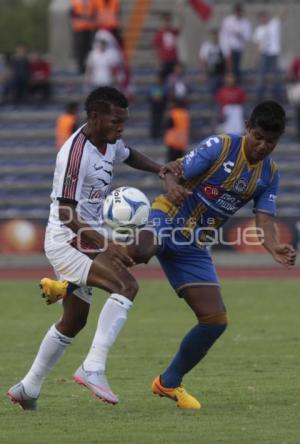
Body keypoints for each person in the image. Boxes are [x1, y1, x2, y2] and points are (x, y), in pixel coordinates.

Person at [36, 101, 296, 411]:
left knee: (215, 320)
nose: (263, 146)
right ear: (248, 129)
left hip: (195, 244)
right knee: (138, 253)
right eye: (258, 137)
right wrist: (172, 186)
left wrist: (274, 246)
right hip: (168, 215)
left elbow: (263, 220)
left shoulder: (269, 174)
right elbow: (174, 170)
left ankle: (169, 382)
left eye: (271, 141)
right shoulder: (221, 146)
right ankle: (67, 285)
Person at [7, 86, 181, 411]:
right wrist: (106, 243)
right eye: (116, 121)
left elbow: (129, 154)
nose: (121, 128)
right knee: (126, 286)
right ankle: (93, 367)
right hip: (66, 238)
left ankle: (28, 388)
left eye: (124, 121)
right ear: (95, 117)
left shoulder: (109, 142)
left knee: (74, 320)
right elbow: (65, 214)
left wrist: (161, 170)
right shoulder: (76, 153)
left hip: (86, 237)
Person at [252, 11, 283, 101]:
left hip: (274, 53)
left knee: (276, 75)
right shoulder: (258, 29)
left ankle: (277, 95)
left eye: (265, 17)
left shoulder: (274, 24)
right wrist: (256, 57)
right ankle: (259, 95)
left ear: (267, 17)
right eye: (261, 17)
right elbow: (258, 45)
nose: (263, 19)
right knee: (261, 75)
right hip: (263, 54)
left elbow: (283, 15)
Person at [219, 3, 252, 81]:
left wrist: (240, 35)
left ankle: (235, 84)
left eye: (240, 11)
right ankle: (226, 85)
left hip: (238, 49)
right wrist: (225, 50)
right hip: (228, 48)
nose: (238, 13)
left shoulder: (246, 23)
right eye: (237, 11)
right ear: (234, 11)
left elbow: (248, 37)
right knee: (226, 69)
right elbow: (223, 35)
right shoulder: (227, 20)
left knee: (235, 69)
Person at [152, 11, 183, 82]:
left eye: (169, 21)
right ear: (162, 22)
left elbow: (180, 26)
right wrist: (157, 61)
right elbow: (156, 48)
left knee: (177, 79)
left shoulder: (172, 31)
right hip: (164, 60)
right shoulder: (159, 34)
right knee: (160, 79)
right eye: (165, 21)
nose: (167, 23)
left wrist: (181, 12)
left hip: (174, 60)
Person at [70, 0, 96, 74]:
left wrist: (90, 17)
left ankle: (89, 68)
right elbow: (71, 13)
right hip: (79, 28)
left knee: (90, 48)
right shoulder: (75, 1)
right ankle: (81, 68)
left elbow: (95, 11)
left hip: (90, 28)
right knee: (80, 49)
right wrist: (82, 16)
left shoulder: (92, 1)